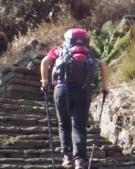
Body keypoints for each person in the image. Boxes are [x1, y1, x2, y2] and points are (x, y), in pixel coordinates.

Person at [40, 28, 109, 169]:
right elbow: (102, 64)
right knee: (79, 127)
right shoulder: (88, 51)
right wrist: (104, 87)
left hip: (62, 90)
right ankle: (80, 161)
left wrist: (45, 82)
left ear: (67, 39)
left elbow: (45, 62)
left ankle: (67, 157)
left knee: (64, 125)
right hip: (82, 91)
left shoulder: (59, 50)